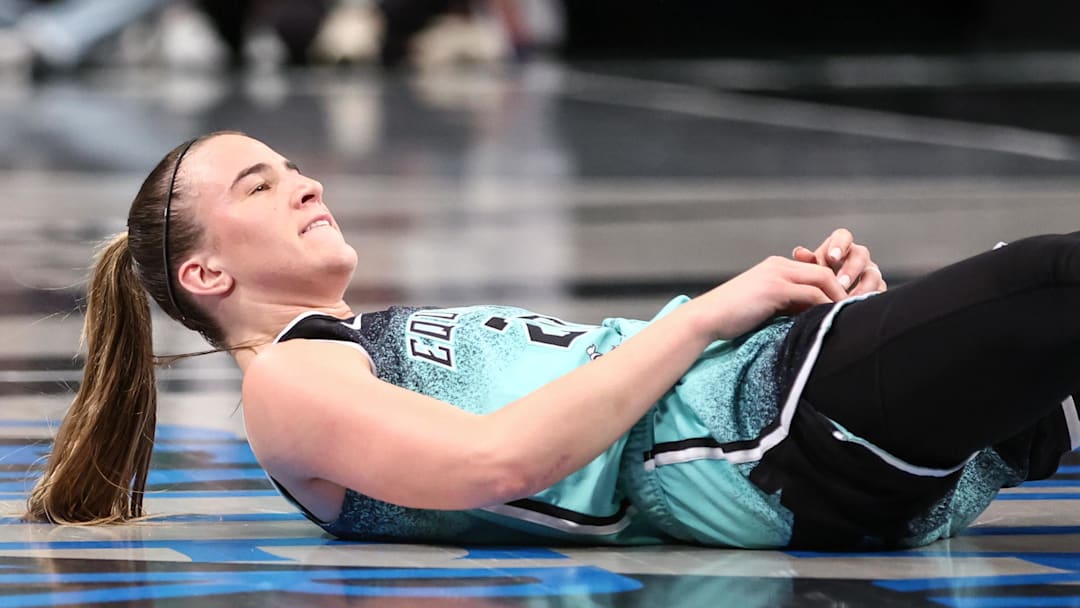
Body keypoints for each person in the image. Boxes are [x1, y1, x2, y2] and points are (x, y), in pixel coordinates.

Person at [24, 131, 1080, 551]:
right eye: (261, 183)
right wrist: (716, 311)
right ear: (208, 275)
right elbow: (500, 462)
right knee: (1046, 278)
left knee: (1038, 306)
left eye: (292, 163)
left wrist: (833, 322)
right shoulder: (288, 382)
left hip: (779, 410)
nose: (304, 179)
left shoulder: (345, 344)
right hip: (762, 442)